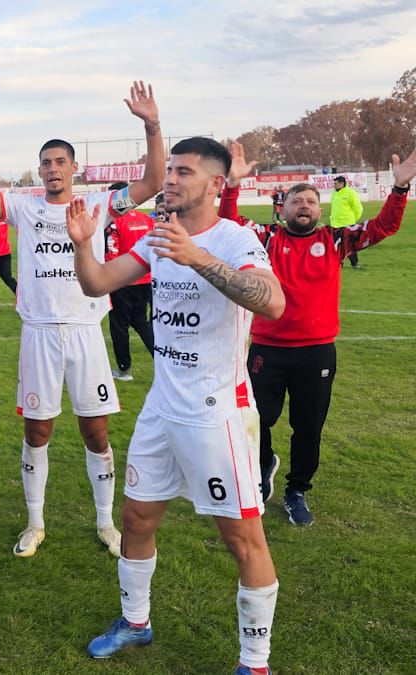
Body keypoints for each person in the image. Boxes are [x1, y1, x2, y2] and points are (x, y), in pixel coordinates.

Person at [68, 137, 284, 674]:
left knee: (242, 539)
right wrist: (83, 245)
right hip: (162, 407)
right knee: (137, 517)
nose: (169, 179)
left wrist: (198, 257)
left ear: (215, 183)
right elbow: (97, 282)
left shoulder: (235, 238)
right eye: (170, 170)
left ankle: (255, 663)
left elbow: (273, 302)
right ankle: (135, 622)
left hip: (217, 412)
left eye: (183, 172)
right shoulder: (158, 236)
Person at [0, 82, 165, 558]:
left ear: (74, 168)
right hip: (39, 335)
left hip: (86, 334)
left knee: (96, 433)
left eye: (59, 162)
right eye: (45, 162)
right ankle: (35, 523)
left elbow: (153, 182)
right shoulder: (23, 207)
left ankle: (106, 523)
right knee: (37, 433)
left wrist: (152, 125)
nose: (52, 169)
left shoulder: (98, 205)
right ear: (40, 170)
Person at [220, 142, 414, 525]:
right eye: (297, 201)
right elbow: (228, 224)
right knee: (256, 419)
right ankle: (264, 465)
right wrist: (231, 187)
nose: (304, 206)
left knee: (308, 427)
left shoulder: (336, 240)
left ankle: (296, 491)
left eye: (310, 201)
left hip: (316, 352)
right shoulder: (266, 239)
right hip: (267, 349)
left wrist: (400, 188)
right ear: (283, 209)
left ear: (319, 211)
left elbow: (384, 226)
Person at [103, 181, 155, 381]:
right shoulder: (146, 220)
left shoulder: (114, 223)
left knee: (119, 326)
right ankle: (163, 361)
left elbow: (111, 254)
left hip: (122, 281)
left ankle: (124, 369)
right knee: (141, 322)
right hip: (145, 280)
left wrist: (107, 279)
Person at [329, 176, 364, 269]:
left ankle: (355, 263)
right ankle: (339, 263)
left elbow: (358, 209)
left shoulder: (350, 193)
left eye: (336, 184)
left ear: (341, 183)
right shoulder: (334, 193)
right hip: (335, 224)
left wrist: (353, 220)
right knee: (336, 246)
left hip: (347, 224)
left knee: (350, 245)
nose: (334, 185)